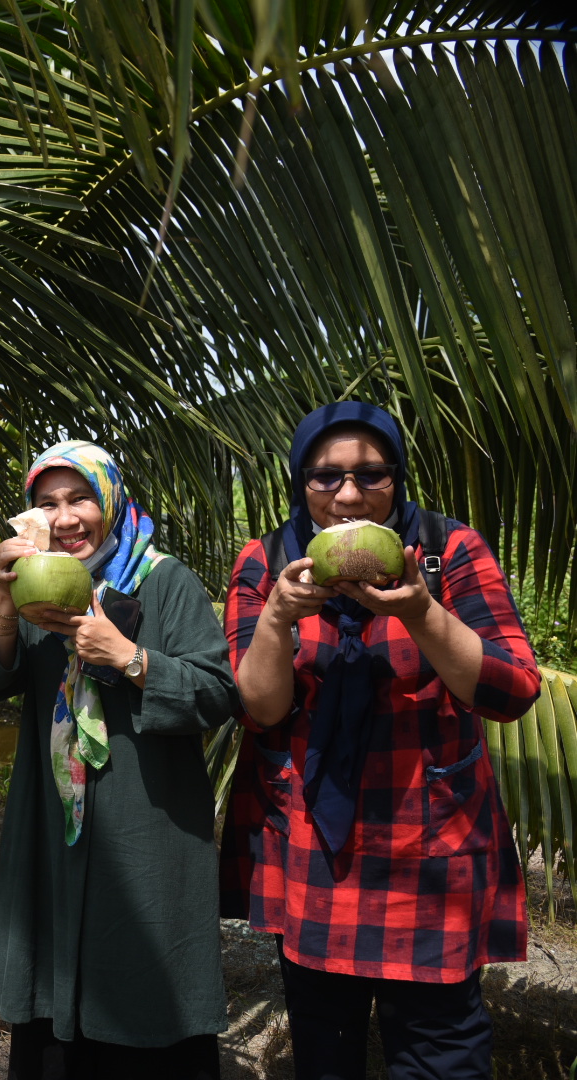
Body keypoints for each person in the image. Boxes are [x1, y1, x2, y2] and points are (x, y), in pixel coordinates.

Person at [220, 402, 540, 1080]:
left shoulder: (449, 551)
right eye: (325, 476)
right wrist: (277, 617)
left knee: (442, 1055)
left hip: (430, 848)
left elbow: (512, 690)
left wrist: (422, 610)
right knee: (324, 1048)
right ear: (301, 481)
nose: (348, 495)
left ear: (397, 477)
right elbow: (260, 708)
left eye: (371, 474)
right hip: (314, 851)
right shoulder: (268, 560)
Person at [0, 440, 239, 1080]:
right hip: (54, 819)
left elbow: (217, 693)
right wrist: (3, 604)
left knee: (146, 971)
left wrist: (129, 658)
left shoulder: (163, 579)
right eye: (47, 504)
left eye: (80, 498)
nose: (64, 519)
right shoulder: (38, 584)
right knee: (54, 984)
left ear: (110, 499)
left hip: (147, 820)